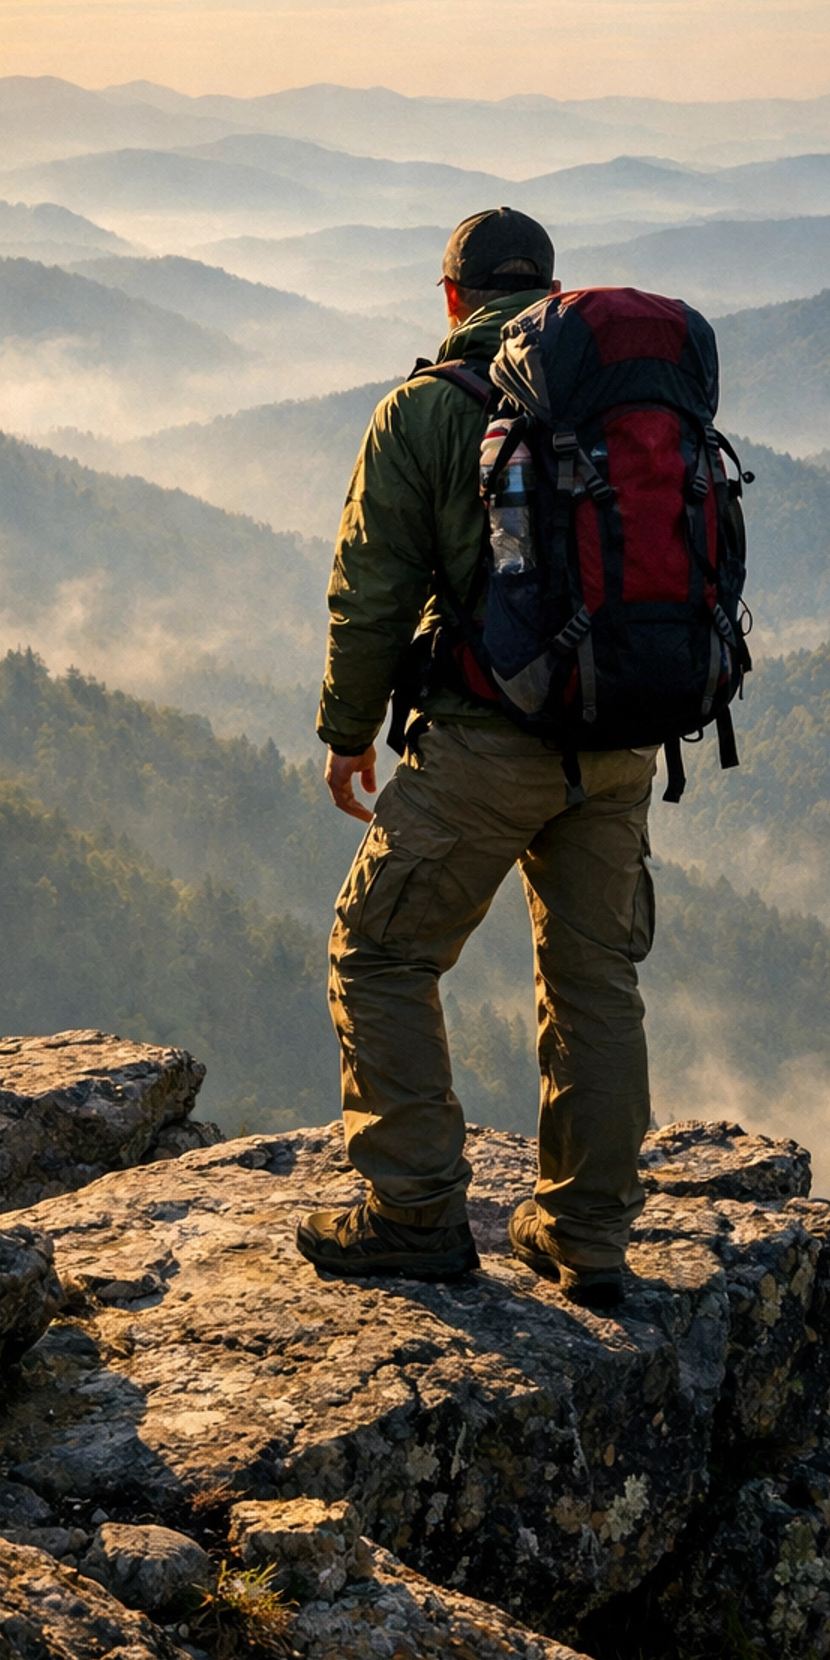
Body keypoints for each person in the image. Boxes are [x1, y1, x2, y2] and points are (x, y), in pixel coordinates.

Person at [296, 206, 658, 1308]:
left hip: (488, 742)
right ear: (550, 289)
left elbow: (371, 592)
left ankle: (412, 1209)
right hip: (618, 740)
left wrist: (346, 733)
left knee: (382, 954)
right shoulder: (609, 400)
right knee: (595, 980)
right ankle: (586, 1236)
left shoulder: (424, 411)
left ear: (450, 296)